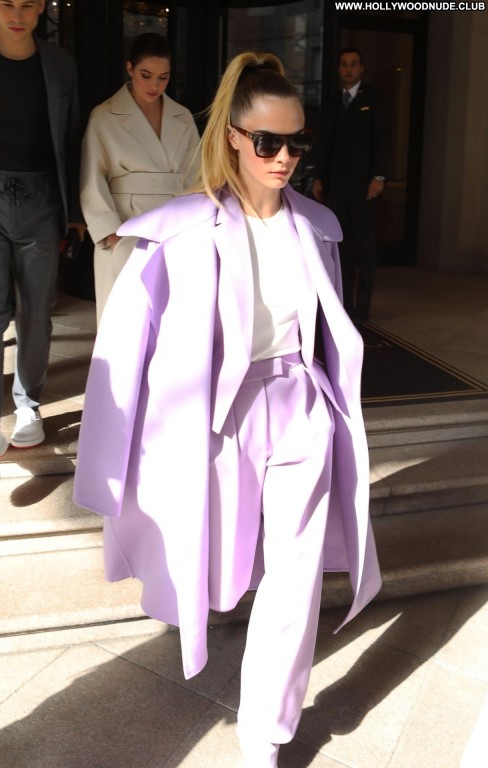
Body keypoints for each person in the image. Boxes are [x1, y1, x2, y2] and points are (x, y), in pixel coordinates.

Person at [74, 51, 381, 768]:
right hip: (218, 418)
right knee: (218, 564)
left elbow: (325, 330)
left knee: (296, 575)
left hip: (301, 407)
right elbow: (124, 346)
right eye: (268, 142)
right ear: (235, 138)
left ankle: (265, 732)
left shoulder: (319, 226)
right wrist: (111, 458)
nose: (284, 158)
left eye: (297, 143)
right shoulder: (180, 230)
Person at [0, 0, 83, 497]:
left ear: (40, 6)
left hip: (42, 198)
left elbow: (72, 136)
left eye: (27, 3)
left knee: (37, 312)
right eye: (7, 2)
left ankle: (28, 405)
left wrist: (75, 209)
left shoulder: (60, 63)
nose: (16, 13)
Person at [80, 32, 200, 325]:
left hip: (175, 228)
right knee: (124, 322)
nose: (154, 85)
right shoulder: (104, 116)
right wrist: (110, 233)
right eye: (146, 75)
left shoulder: (182, 116)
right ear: (130, 68)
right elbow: (92, 178)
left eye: (163, 77)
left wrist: (197, 227)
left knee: (171, 321)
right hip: (126, 228)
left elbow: (197, 176)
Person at [312, 47, 389, 322]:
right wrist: (319, 176)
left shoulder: (374, 98)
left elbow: (382, 139)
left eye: (353, 64)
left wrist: (379, 176)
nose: (348, 69)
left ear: (362, 68)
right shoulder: (333, 100)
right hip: (337, 185)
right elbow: (325, 142)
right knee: (340, 245)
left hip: (364, 185)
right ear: (338, 68)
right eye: (344, 64)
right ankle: (343, 304)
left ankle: (363, 308)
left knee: (365, 247)